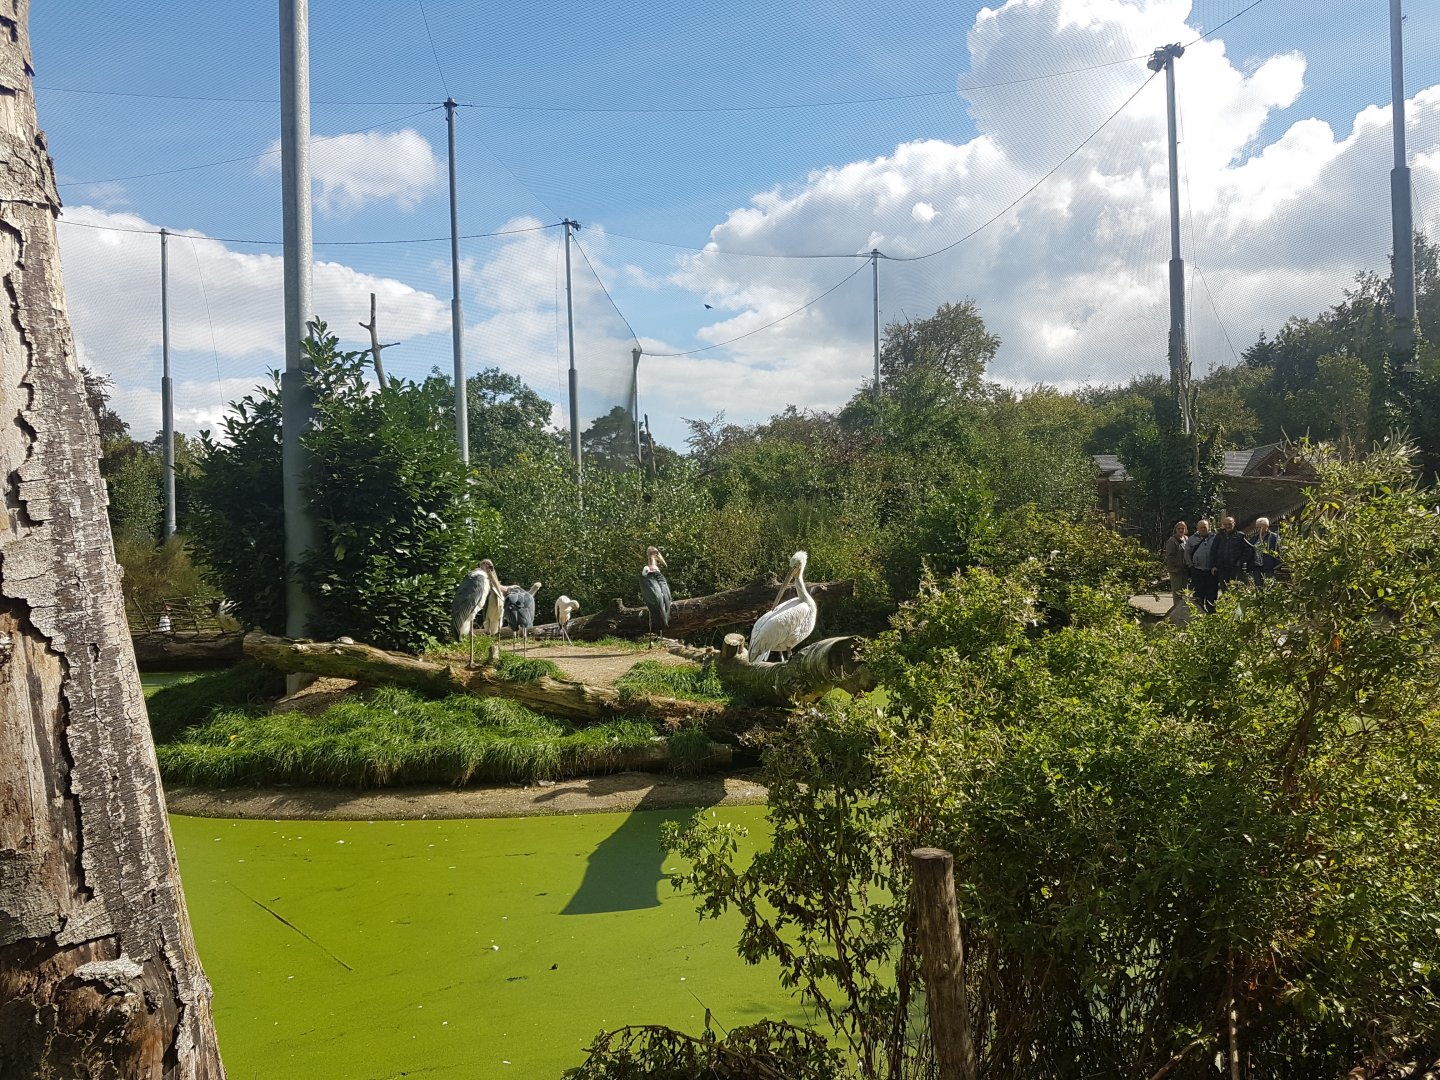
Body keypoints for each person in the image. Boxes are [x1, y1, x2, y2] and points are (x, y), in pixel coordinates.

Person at [1213, 515, 1254, 595]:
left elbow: (1248, 550)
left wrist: (1241, 561)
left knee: (1236, 589)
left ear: (1234, 524)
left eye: (1230, 524)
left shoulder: (1240, 536)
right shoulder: (1219, 536)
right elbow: (1214, 550)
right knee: (1224, 590)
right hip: (1222, 568)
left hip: (1235, 568)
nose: (1228, 526)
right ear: (1223, 525)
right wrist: (1214, 565)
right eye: (1226, 524)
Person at [1186, 518, 1218, 614]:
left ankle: (1212, 613)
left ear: (1209, 527)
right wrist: (1191, 567)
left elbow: (1219, 552)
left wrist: (1216, 565)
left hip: (1211, 571)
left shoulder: (1215, 538)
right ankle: (1199, 613)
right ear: (1197, 528)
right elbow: (1187, 554)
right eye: (1201, 527)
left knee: (1211, 594)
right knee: (1199, 594)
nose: (1203, 529)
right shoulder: (1191, 539)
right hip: (1198, 571)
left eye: (1205, 527)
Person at [1162, 519, 1189, 619]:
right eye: (1179, 528)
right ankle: (1176, 616)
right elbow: (1170, 557)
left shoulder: (1186, 539)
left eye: (1183, 528)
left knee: (1184, 593)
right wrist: (1174, 569)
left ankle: (1183, 613)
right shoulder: (1172, 541)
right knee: (1177, 593)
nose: (1181, 530)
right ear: (1175, 529)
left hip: (1185, 571)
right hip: (1176, 571)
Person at [1249, 516, 1281, 587]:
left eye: (1259, 527)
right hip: (1257, 568)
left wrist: (1277, 566)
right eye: (1257, 527)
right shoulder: (1254, 538)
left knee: (1269, 587)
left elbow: (1279, 551)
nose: (1257, 529)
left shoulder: (1274, 537)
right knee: (1259, 588)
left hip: (1269, 568)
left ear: (1266, 526)